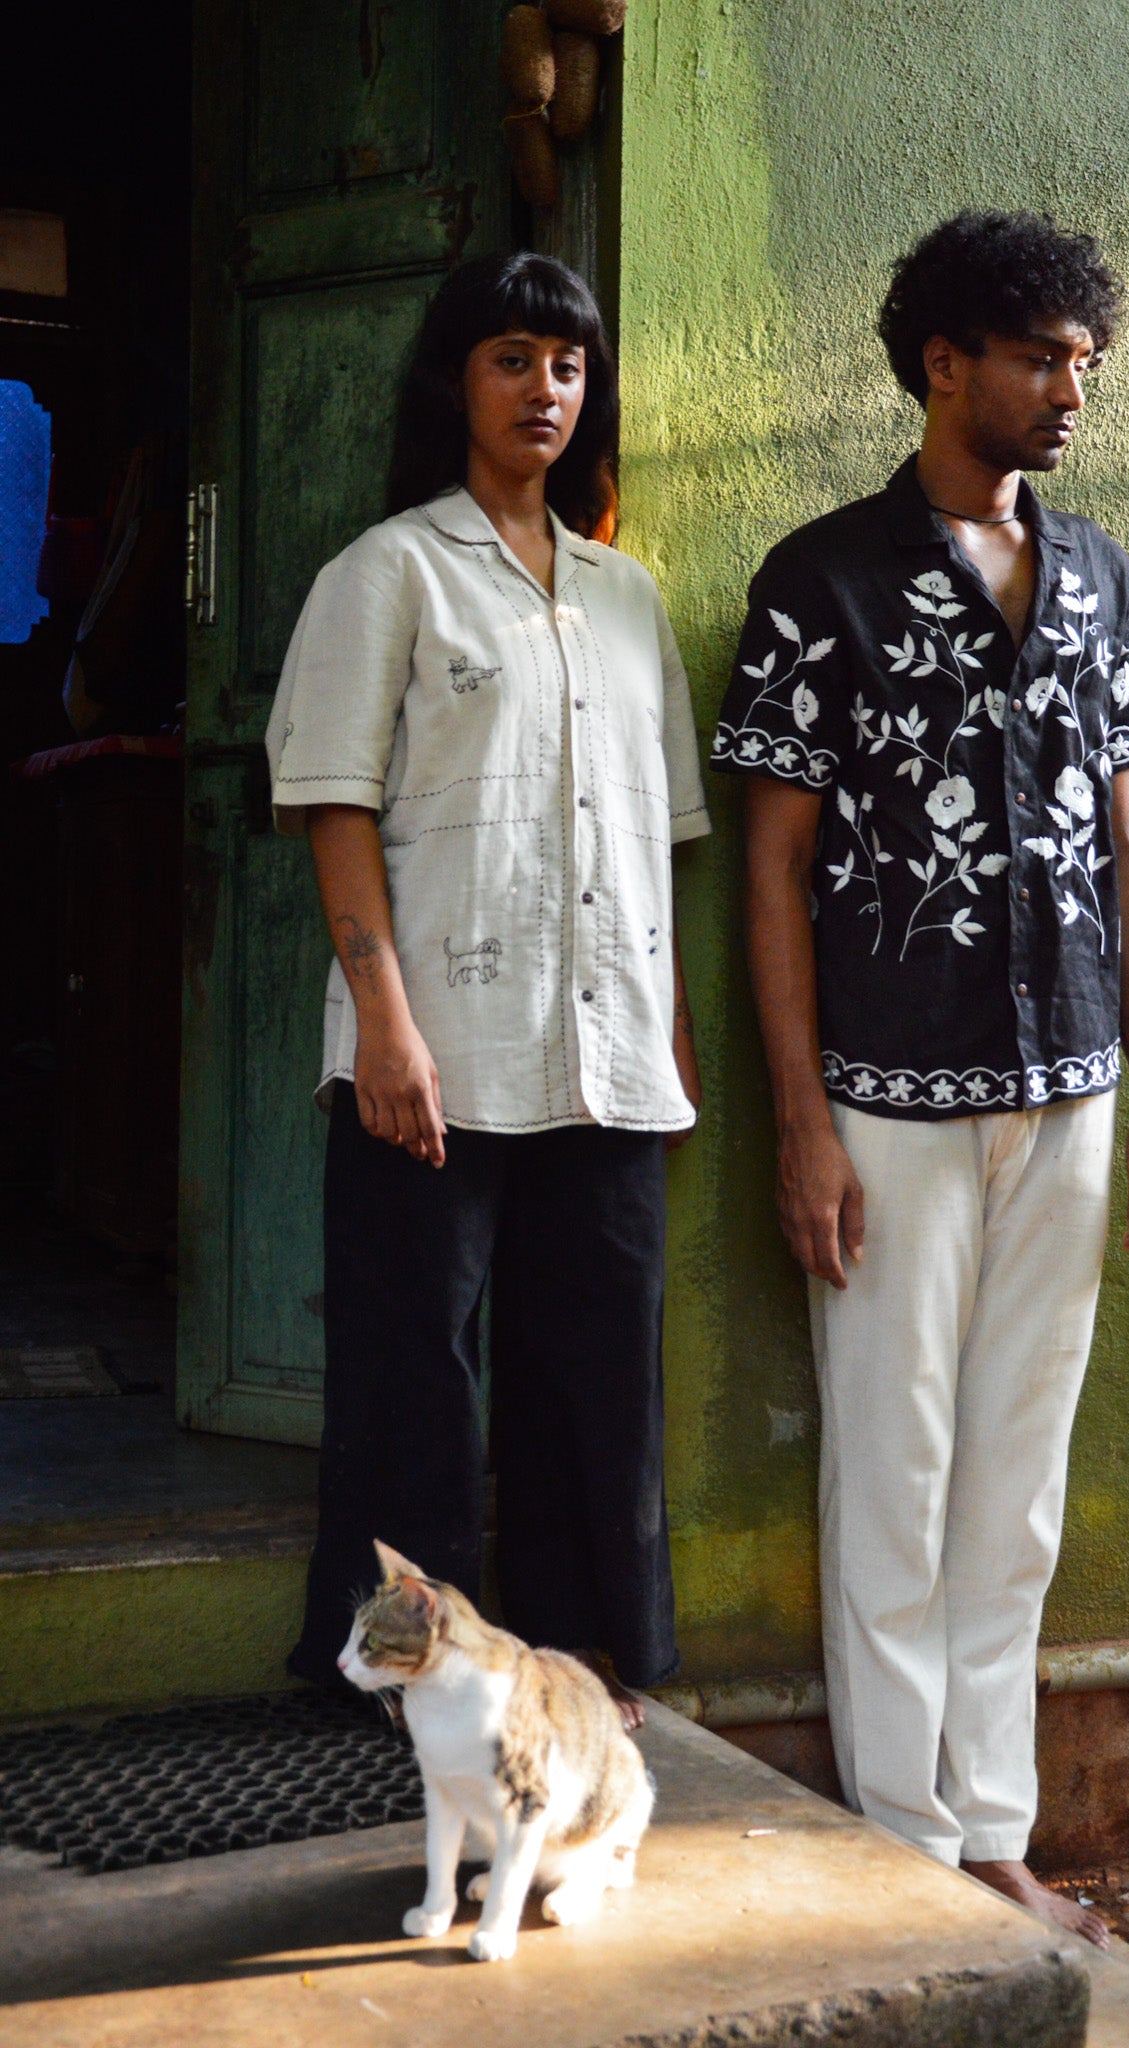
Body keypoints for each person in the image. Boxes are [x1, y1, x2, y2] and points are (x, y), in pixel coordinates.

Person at [713, 212, 1129, 1943]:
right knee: (892, 1472)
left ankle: (994, 1825)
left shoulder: (1100, 577)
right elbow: (765, 869)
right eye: (1042, 356)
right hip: (886, 1102)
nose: (1073, 390)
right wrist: (799, 1132)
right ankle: (901, 1838)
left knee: (1018, 1478)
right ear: (944, 363)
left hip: (1067, 1092)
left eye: (1084, 359)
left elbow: (1123, 844)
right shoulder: (817, 581)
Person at [265, 252, 710, 1725]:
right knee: (413, 1382)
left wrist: (672, 1048)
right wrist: (383, 1023)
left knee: (595, 1375)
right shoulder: (386, 572)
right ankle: (402, 1670)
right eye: (512, 359)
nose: (544, 390)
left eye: (568, 366)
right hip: (437, 1050)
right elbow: (334, 805)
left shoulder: (626, 599)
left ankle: (584, 1665)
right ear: (456, 380)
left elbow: (658, 847)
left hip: (604, 1059)